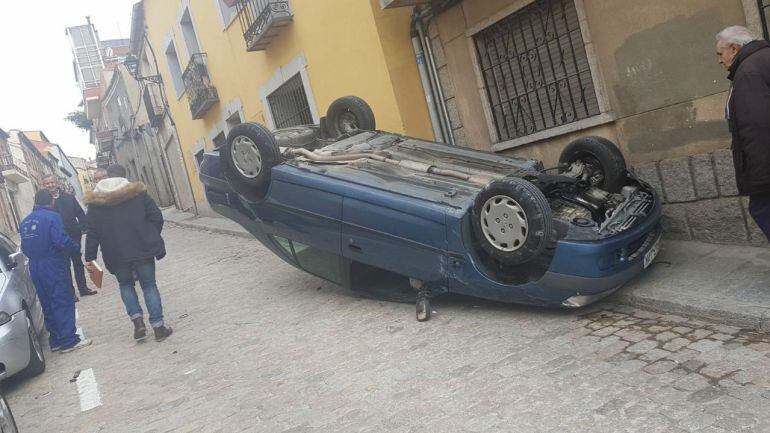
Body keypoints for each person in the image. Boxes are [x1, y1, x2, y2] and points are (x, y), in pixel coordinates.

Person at [83, 164, 173, 342]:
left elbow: (92, 233)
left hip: (114, 252)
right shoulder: (138, 194)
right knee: (149, 285)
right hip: (142, 248)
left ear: (107, 177)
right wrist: (149, 235)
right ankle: (158, 327)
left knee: (125, 286)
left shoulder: (95, 204)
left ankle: (138, 322)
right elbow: (156, 216)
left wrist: (90, 259)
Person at [20, 190, 92, 353]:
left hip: (35, 266)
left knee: (47, 303)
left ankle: (56, 340)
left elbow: (24, 247)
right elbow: (61, 241)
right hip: (53, 263)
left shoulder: (25, 222)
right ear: (51, 201)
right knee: (62, 299)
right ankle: (69, 340)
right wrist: (76, 249)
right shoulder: (53, 217)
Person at [716, 26, 770, 240]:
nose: (719, 60)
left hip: (765, 165)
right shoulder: (763, 60)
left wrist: (761, 179)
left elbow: (756, 126)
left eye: (720, 54)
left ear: (734, 48)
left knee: (762, 208)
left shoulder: (748, 72)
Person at [42, 175, 98, 299]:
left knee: (78, 263)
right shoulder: (44, 202)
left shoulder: (69, 197)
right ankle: (71, 293)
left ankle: (83, 288)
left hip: (74, 236)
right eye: (47, 183)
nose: (50, 185)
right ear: (44, 185)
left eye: (52, 182)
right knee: (64, 267)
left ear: (56, 183)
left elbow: (81, 214)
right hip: (57, 240)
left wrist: (81, 227)